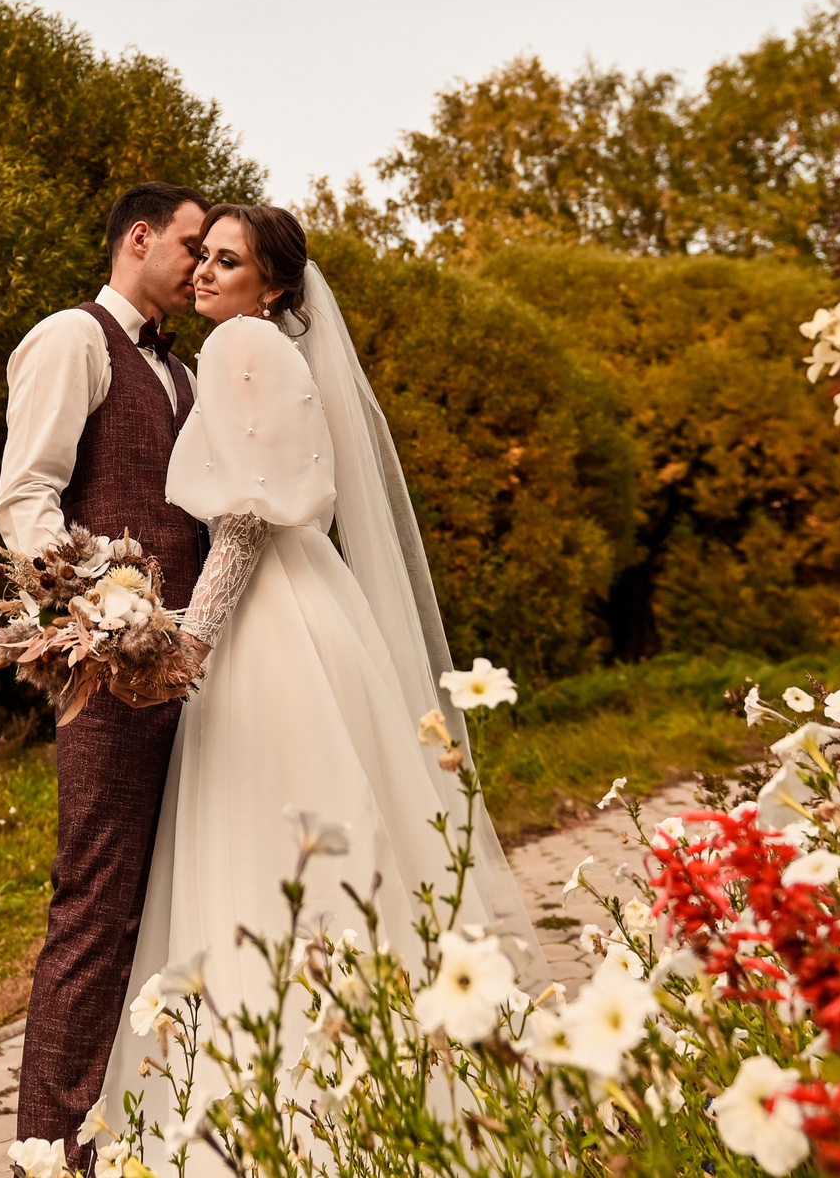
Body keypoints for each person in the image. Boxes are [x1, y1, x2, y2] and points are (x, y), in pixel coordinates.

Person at [92, 204, 544, 1156]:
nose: (206, 274)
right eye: (203, 256)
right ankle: (388, 1084)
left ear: (277, 287)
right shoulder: (281, 354)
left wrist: (191, 643)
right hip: (315, 604)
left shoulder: (234, 351)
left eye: (229, 261)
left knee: (264, 831)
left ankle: (283, 1108)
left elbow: (248, 518)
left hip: (263, 618)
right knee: (339, 825)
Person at [0, 181, 214, 1164]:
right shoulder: (71, 340)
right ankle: (48, 1149)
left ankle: (142, 1128)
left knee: (175, 894)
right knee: (96, 901)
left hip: (190, 677)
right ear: (138, 236)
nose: (202, 263)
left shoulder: (186, 371)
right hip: (110, 670)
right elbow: (28, 499)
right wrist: (97, 608)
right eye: (191, 243)